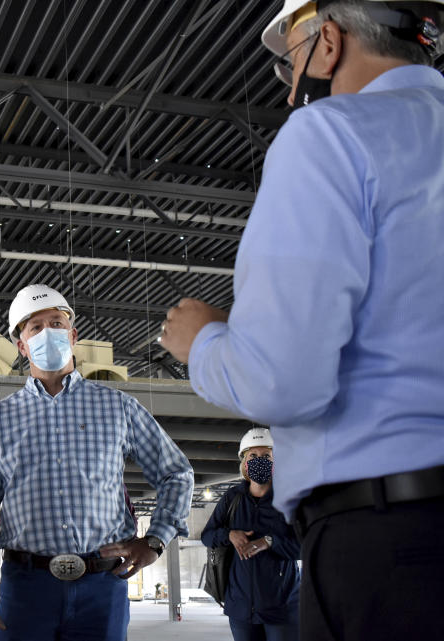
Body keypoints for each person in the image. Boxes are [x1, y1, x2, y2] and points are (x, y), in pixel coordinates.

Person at [159, 2, 444, 639]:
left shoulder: (333, 134)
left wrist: (201, 340)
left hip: (392, 542)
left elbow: (284, 382)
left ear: (329, 43)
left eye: (290, 62)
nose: (290, 86)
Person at [0, 284, 195, 641]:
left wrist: (156, 540)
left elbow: (177, 473)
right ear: (21, 346)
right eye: (35, 327)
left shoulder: (118, 408)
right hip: (26, 589)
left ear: (73, 334)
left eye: (56, 322)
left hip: (103, 585)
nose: (47, 332)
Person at [201, 429, 300, 641]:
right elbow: (207, 536)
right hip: (241, 609)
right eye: (253, 456)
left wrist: (270, 542)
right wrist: (230, 535)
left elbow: (305, 545)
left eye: (266, 456)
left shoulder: (288, 500)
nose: (259, 461)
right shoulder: (232, 499)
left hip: (281, 609)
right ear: (245, 462)